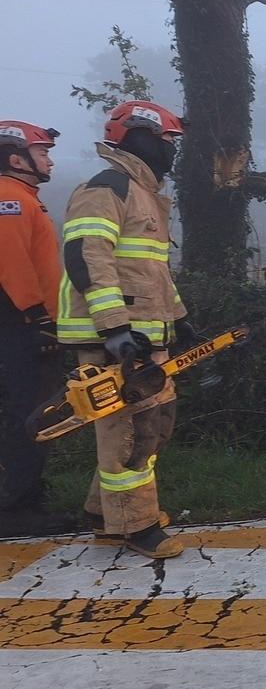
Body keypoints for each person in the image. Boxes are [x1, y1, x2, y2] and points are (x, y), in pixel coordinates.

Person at [57, 100, 192, 559]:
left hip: (146, 339)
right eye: (169, 140)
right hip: (112, 340)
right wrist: (114, 329)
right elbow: (86, 258)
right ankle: (135, 526)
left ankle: (104, 513)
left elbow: (152, 274)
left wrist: (179, 321)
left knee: (155, 423)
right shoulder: (107, 188)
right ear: (141, 135)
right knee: (128, 431)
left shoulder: (143, 193)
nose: (173, 150)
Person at [0, 121, 74, 536]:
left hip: (23, 324)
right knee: (27, 415)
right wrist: (38, 318)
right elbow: (12, 266)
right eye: (42, 152)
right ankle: (15, 511)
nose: (49, 160)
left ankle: (22, 500)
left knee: (29, 413)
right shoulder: (9, 199)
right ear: (16, 158)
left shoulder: (22, 199)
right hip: (21, 326)